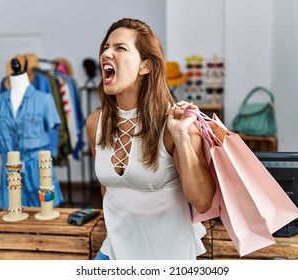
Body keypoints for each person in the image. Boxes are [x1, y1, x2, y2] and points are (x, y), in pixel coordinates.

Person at [86, 18, 215, 260]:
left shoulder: (175, 123)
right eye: (105, 47)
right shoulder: (95, 124)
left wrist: (181, 137)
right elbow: (109, 189)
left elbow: (202, 202)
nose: (107, 54)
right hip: (113, 254)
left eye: (120, 48)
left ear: (145, 66)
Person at [0, 57, 64, 209]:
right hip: (10, 171)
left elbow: (53, 131)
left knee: (46, 216)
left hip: (39, 170)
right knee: (13, 218)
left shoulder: (45, 100)